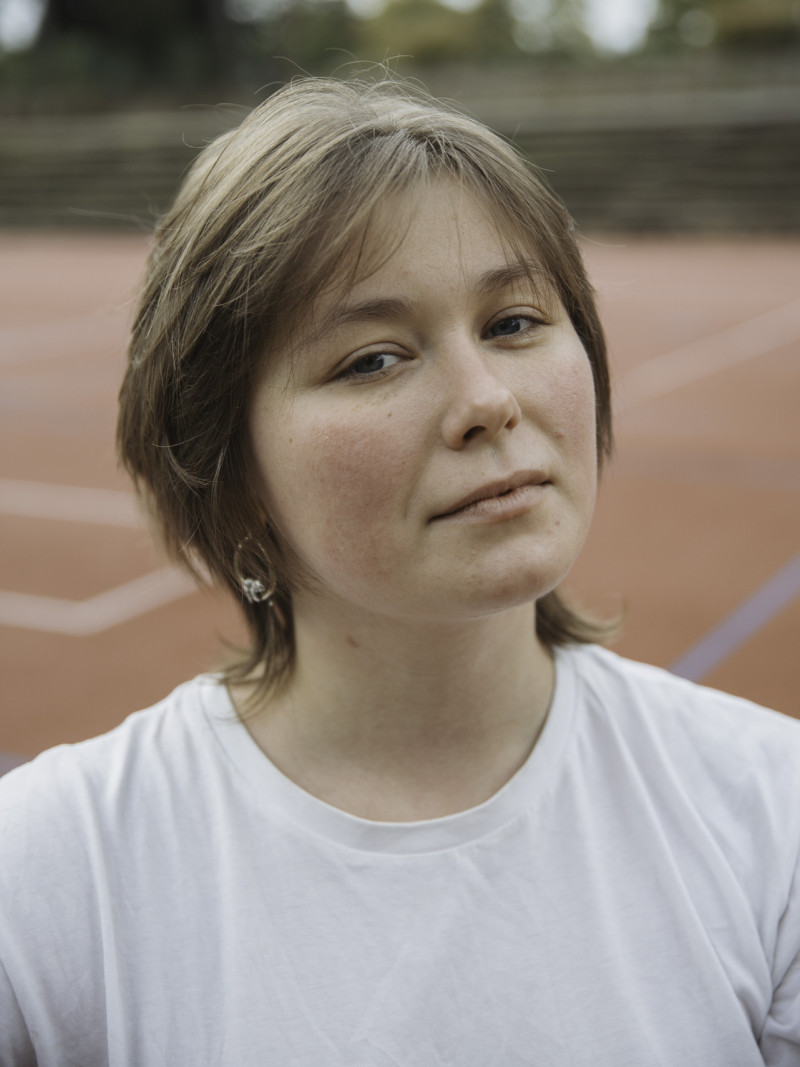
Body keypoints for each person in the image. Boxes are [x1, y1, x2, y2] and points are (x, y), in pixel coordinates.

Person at [0, 75, 798, 1067]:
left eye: (513, 323)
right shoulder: (48, 873)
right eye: (372, 359)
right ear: (232, 473)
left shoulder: (771, 813)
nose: (487, 399)